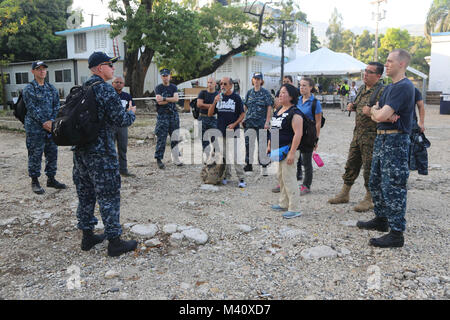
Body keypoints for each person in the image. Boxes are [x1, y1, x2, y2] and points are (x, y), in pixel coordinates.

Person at [72, 51, 138, 257]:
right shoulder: (105, 90)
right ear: (100, 68)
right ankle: (115, 242)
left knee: (86, 195)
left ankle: (87, 236)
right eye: (110, 65)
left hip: (81, 153)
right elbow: (121, 121)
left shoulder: (82, 89)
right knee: (109, 196)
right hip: (101, 154)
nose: (113, 68)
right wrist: (131, 114)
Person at [357, 49, 416, 248]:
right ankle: (382, 219)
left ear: (402, 64)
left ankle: (397, 233)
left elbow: (379, 116)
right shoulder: (390, 88)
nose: (387, 64)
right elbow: (376, 113)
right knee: (375, 182)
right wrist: (379, 112)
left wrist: (379, 113)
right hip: (381, 140)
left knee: (394, 187)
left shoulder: (404, 87)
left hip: (396, 141)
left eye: (390, 61)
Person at [328, 62, 385, 212]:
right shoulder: (361, 89)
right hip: (358, 134)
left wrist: (371, 112)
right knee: (351, 163)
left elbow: (383, 114)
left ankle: (369, 197)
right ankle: (345, 193)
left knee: (369, 168)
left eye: (370, 72)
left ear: (378, 76)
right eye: (365, 71)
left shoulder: (382, 91)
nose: (365, 74)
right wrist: (353, 107)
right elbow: (360, 107)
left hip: (372, 137)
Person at [22, 61, 67, 195]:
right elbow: (31, 108)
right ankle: (35, 181)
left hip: (50, 127)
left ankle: (51, 179)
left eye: (44, 69)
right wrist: (44, 122)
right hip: (35, 128)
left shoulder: (51, 88)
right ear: (33, 72)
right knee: (35, 154)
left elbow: (56, 106)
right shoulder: (29, 89)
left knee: (52, 152)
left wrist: (52, 122)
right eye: (38, 69)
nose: (42, 71)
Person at [268, 83, 303, 219]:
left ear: (291, 97)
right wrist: (270, 144)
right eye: (280, 92)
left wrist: (292, 153)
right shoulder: (278, 111)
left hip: (289, 151)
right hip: (279, 150)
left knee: (289, 179)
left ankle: (295, 208)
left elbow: (298, 134)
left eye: (284, 93)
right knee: (281, 177)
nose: (280, 95)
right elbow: (274, 129)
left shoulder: (295, 113)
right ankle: (283, 203)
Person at [208, 77, 246, 188]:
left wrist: (234, 124)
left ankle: (241, 178)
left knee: (235, 155)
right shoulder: (218, 98)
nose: (222, 86)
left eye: (225, 84)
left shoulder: (236, 98)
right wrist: (214, 102)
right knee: (223, 156)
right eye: (221, 84)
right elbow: (210, 114)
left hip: (233, 131)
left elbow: (242, 114)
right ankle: (226, 176)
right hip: (220, 130)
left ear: (230, 85)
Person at [296, 77, 323, 195]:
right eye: (300, 85)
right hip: (296, 134)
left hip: (308, 135)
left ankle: (306, 185)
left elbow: (318, 122)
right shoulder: (296, 100)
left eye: (304, 85)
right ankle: (288, 182)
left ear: (311, 87)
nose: (302, 88)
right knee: (293, 159)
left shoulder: (315, 103)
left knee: (306, 161)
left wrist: (316, 139)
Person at [243, 72, 273, 176]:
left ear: (261, 81)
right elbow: (245, 107)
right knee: (249, 144)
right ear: (252, 80)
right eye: (255, 78)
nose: (256, 81)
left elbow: (269, 107)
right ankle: (249, 165)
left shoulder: (265, 93)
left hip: (261, 123)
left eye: (258, 79)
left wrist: (267, 122)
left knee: (262, 145)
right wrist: (242, 118)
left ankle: (264, 166)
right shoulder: (249, 93)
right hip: (249, 123)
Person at [154, 68, 182, 169]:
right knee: (162, 138)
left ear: (170, 76)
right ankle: (159, 159)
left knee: (175, 137)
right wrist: (170, 100)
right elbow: (159, 102)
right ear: (161, 77)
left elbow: (176, 99)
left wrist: (165, 98)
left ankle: (175, 158)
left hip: (173, 115)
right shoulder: (158, 88)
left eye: (167, 75)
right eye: (163, 76)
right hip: (162, 116)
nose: (165, 77)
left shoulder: (174, 87)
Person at [112, 76, 136, 177]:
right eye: (116, 82)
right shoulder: (109, 95)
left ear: (123, 84)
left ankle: (123, 170)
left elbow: (132, 109)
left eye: (121, 82)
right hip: (110, 126)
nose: (119, 84)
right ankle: (112, 171)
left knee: (122, 148)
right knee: (110, 149)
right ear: (112, 83)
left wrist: (130, 112)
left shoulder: (127, 96)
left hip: (122, 126)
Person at [197, 77, 219, 162]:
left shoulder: (217, 94)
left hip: (213, 118)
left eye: (211, 83)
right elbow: (199, 104)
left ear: (215, 84)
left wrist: (207, 105)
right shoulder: (203, 93)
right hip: (202, 117)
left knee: (215, 138)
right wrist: (211, 105)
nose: (209, 84)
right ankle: (207, 156)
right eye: (208, 82)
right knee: (204, 139)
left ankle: (214, 153)